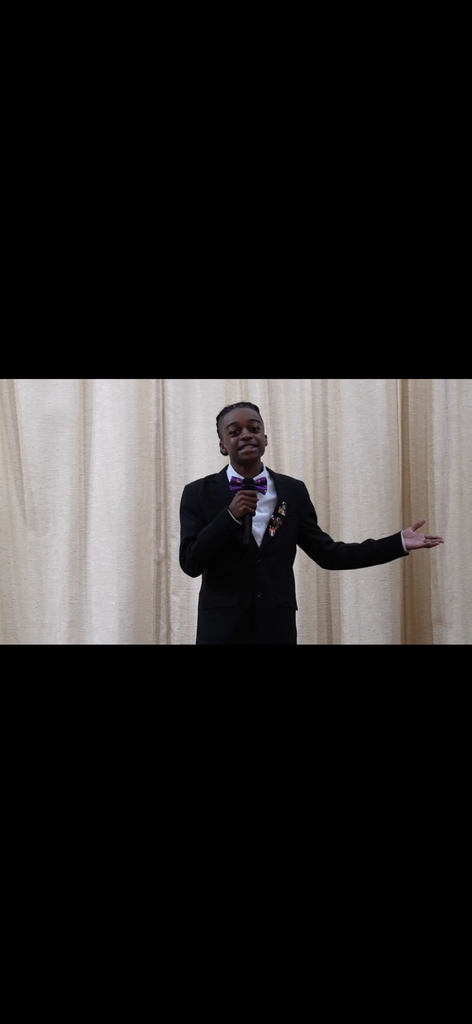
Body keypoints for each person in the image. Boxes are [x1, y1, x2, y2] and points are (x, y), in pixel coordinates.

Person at [179, 402, 444, 645]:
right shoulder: (197, 493)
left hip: (277, 630)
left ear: (265, 438)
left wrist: (397, 543)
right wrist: (230, 517)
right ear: (223, 445)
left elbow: (329, 554)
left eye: (254, 428)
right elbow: (190, 562)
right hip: (221, 631)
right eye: (235, 432)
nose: (247, 434)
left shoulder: (293, 491)